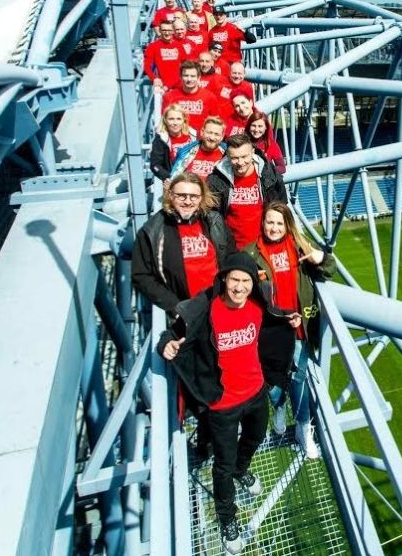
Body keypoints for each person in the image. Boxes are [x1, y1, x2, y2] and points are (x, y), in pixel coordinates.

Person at [158, 251, 293, 554]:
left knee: (256, 437)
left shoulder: (259, 306)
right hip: (223, 405)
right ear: (224, 280)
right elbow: (175, 332)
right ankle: (227, 519)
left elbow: (274, 320)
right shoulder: (206, 310)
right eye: (235, 279)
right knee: (222, 465)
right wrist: (165, 342)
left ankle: (241, 469)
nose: (240, 287)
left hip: (256, 393)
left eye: (245, 281)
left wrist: (288, 319)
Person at [244, 202, 335, 459]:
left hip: (299, 330)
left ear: (287, 225)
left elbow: (330, 270)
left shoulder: (300, 247)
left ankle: (303, 429)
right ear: (263, 223)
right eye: (269, 222)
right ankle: (279, 404)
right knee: (271, 378)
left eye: (279, 223)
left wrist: (322, 258)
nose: (273, 228)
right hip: (270, 331)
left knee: (298, 378)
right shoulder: (250, 254)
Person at [131, 172, 235, 317]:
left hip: (221, 304)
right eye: (181, 195)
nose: (187, 201)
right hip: (185, 313)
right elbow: (141, 275)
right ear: (171, 195)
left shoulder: (214, 222)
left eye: (194, 196)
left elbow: (231, 257)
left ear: (201, 198)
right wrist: (175, 307)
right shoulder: (153, 229)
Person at [207, 134, 287, 250]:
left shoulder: (269, 174)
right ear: (228, 156)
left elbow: (282, 208)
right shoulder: (217, 179)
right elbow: (212, 217)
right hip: (232, 248)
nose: (240, 162)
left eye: (244, 156)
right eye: (234, 158)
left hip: (265, 246)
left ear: (253, 152)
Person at [162, 61, 221, 133]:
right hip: (177, 138)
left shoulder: (210, 97)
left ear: (199, 77)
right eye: (186, 75)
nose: (189, 79)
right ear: (180, 77)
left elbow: (215, 122)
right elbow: (164, 122)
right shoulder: (169, 96)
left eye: (192, 76)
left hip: (200, 140)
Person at [150, 106, 195, 183]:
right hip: (173, 181)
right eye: (171, 119)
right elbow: (155, 165)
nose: (175, 123)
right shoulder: (161, 139)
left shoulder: (193, 135)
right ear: (165, 120)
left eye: (178, 119)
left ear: (184, 120)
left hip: (193, 180)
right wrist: (169, 178)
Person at [143, 20, 187, 91]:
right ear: (160, 31)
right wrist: (154, 78)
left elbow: (185, 66)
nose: (167, 33)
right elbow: (147, 66)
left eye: (169, 30)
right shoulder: (153, 46)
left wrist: (168, 85)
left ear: (173, 31)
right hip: (162, 87)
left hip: (178, 87)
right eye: (164, 30)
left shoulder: (179, 46)